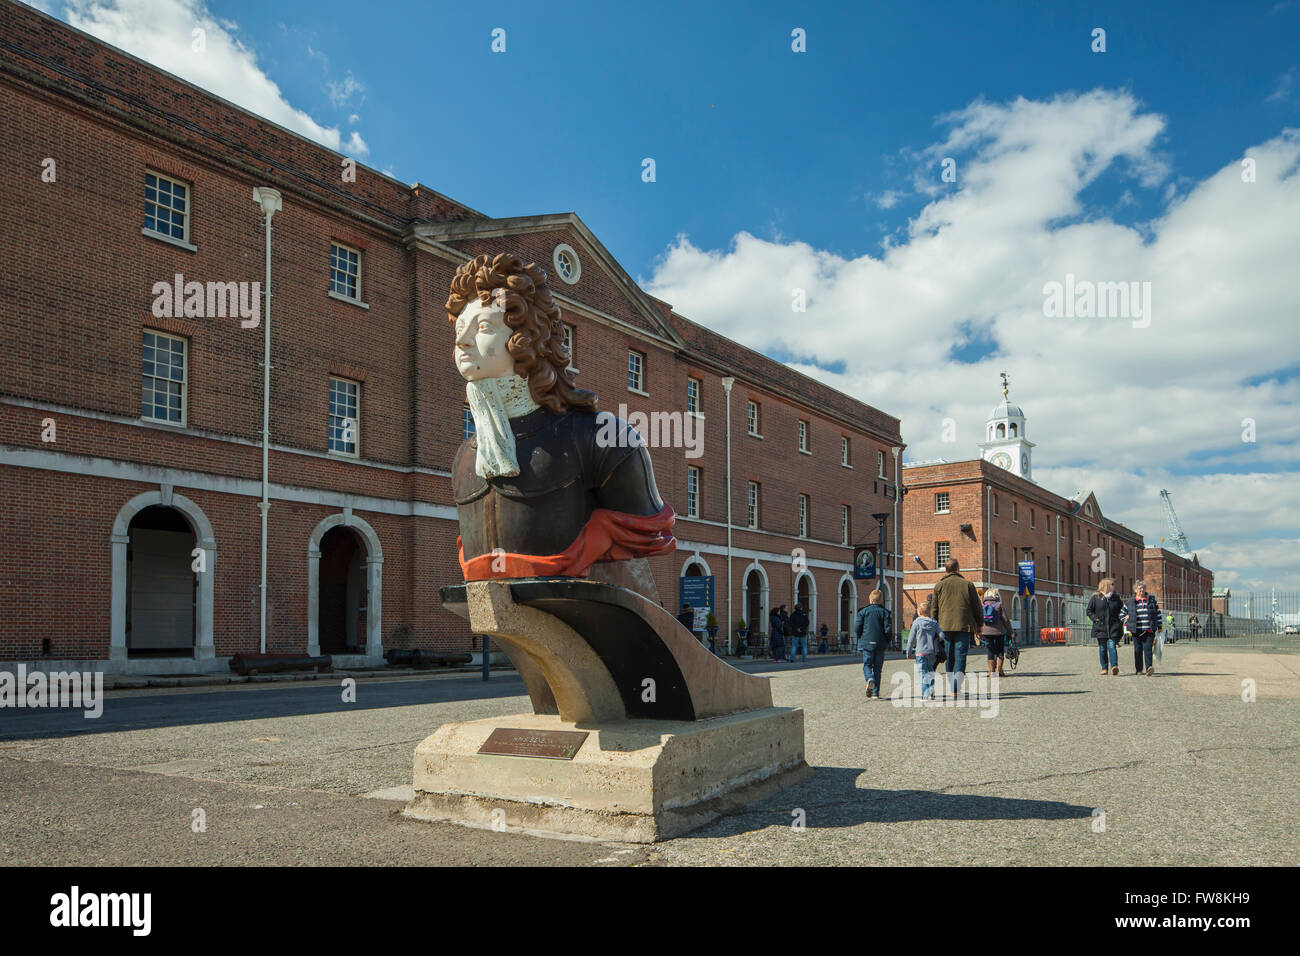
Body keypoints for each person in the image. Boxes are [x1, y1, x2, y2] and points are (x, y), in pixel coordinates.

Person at [931, 558, 983, 696]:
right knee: (960, 656)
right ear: (958, 568)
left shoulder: (939, 586)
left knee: (949, 656)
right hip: (963, 625)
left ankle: (951, 684)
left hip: (944, 626)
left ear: (946, 570)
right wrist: (979, 625)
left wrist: (933, 627)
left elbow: (934, 609)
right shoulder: (968, 585)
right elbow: (977, 607)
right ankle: (956, 688)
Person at [855, 589, 892, 699]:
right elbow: (888, 629)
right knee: (878, 668)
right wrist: (887, 640)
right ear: (881, 600)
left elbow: (857, 627)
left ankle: (869, 678)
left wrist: (860, 637)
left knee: (867, 665)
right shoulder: (885, 612)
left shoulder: (863, 612)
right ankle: (876, 692)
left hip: (867, 642)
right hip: (880, 643)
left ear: (870, 599)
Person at [1121, 581, 1161, 676]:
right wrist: (1125, 619)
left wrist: (1159, 626)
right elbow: (1122, 614)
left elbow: (1158, 614)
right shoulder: (1130, 602)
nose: (1141, 590)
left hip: (1148, 629)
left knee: (1147, 649)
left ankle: (1149, 668)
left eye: (1143, 588)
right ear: (1135, 590)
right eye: (1139, 588)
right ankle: (1139, 669)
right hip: (1136, 630)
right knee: (1137, 650)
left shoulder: (1151, 600)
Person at [905, 595, 941, 700]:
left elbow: (911, 639)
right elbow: (942, 635)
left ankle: (925, 694)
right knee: (930, 672)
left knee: (922, 673)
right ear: (929, 612)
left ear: (919, 612)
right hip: (931, 652)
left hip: (920, 652)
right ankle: (931, 692)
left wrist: (908, 652)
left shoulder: (916, 623)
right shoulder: (934, 622)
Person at [1086, 578, 1123, 676]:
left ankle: (1114, 666)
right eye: (1112, 584)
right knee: (1102, 648)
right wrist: (1095, 618)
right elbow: (1089, 610)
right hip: (1100, 627)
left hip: (1113, 626)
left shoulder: (1116, 598)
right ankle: (1104, 668)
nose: (1114, 586)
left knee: (1111, 645)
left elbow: (1122, 609)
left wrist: (1123, 617)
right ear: (1106, 585)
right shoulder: (1096, 598)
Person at [979, 587, 1011, 678]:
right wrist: (1010, 631)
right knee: (1000, 650)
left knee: (990, 650)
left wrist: (979, 630)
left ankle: (991, 671)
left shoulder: (983, 605)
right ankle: (999, 670)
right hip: (999, 632)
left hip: (986, 632)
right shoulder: (999, 605)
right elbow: (1005, 619)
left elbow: (979, 618)